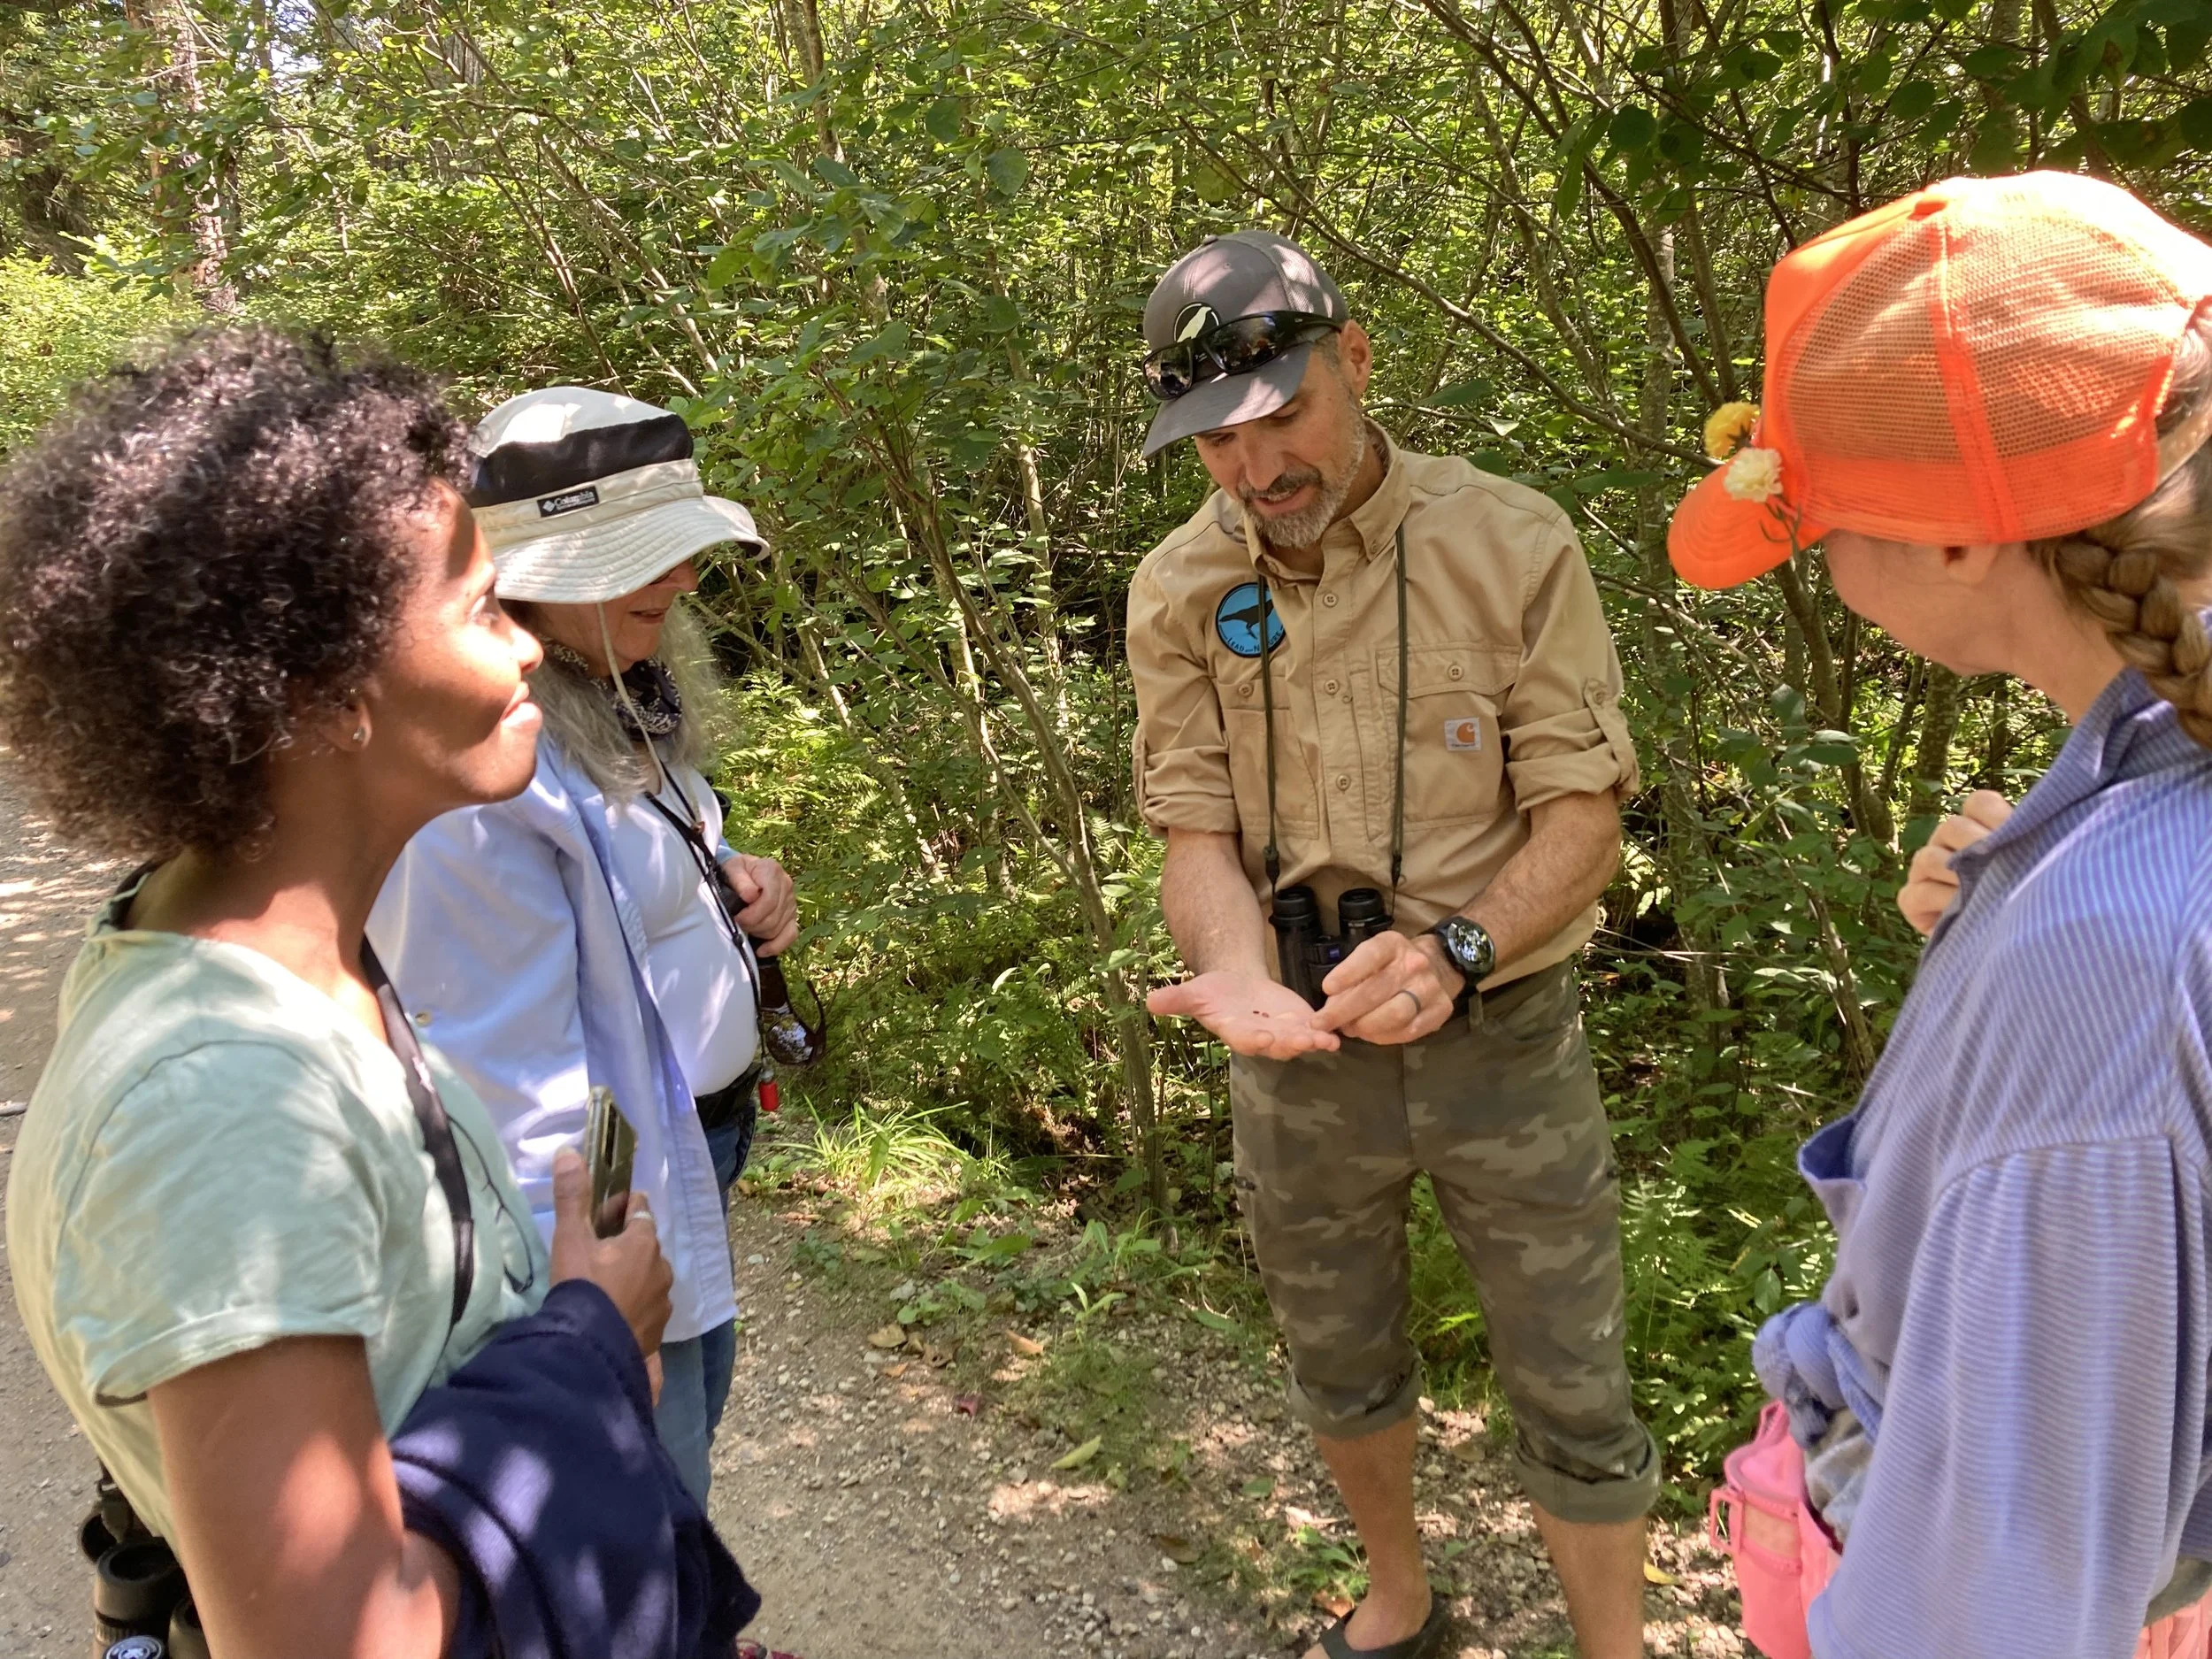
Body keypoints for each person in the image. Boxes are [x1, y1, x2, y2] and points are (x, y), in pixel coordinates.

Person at [0, 328, 683, 1655]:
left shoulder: (286, 963)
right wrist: (596, 1333)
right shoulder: (221, 1099)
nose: (532, 649)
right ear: (321, 695)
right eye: (487, 607)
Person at [1670, 171, 2212, 1659]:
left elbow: (1996, 1610)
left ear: (1968, 539)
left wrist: (2038, 979)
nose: (1823, 571)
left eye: (1820, 526)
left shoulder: (2106, 960)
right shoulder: (2139, 774)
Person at [1129, 229, 1655, 1659]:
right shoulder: (1179, 591)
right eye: (1216, 445)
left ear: (1354, 362)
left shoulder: (1509, 540)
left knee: (1572, 1369)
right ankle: (1400, 1595)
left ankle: (1615, 1644)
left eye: (1282, 416)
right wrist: (1233, 972)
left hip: (1507, 1040)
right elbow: (1197, 839)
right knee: (1337, 1350)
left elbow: (1581, 813)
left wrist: (1458, 948)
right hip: (1303, 1051)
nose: (1254, 470)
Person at [370, 384, 799, 1506]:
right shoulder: (481, 776)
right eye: (647, 556)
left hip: (689, 1151)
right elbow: (504, 1070)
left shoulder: (607, 688)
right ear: (534, 577)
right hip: (612, 1195)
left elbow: (635, 874)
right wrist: (586, 1308)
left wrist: (733, 877)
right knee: (642, 1477)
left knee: (687, 1430)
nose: (690, 579)